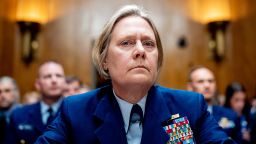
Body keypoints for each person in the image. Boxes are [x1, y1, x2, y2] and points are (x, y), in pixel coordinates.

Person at [35, 5, 235, 144]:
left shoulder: (189, 107)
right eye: (126, 43)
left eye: (149, 43)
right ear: (104, 59)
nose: (141, 50)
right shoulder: (76, 111)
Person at [5, 61, 66, 144]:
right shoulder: (19, 114)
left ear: (64, 82)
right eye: (48, 76)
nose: (54, 80)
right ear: (38, 84)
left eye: (58, 76)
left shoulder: (74, 113)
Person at [187, 66, 242, 143]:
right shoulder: (181, 116)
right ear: (190, 86)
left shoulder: (231, 114)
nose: (207, 85)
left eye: (210, 81)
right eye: (200, 81)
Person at [0, 76, 20, 143]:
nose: (2, 95)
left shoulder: (26, 114)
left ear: (16, 92)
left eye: (7, 91)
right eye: (0, 92)